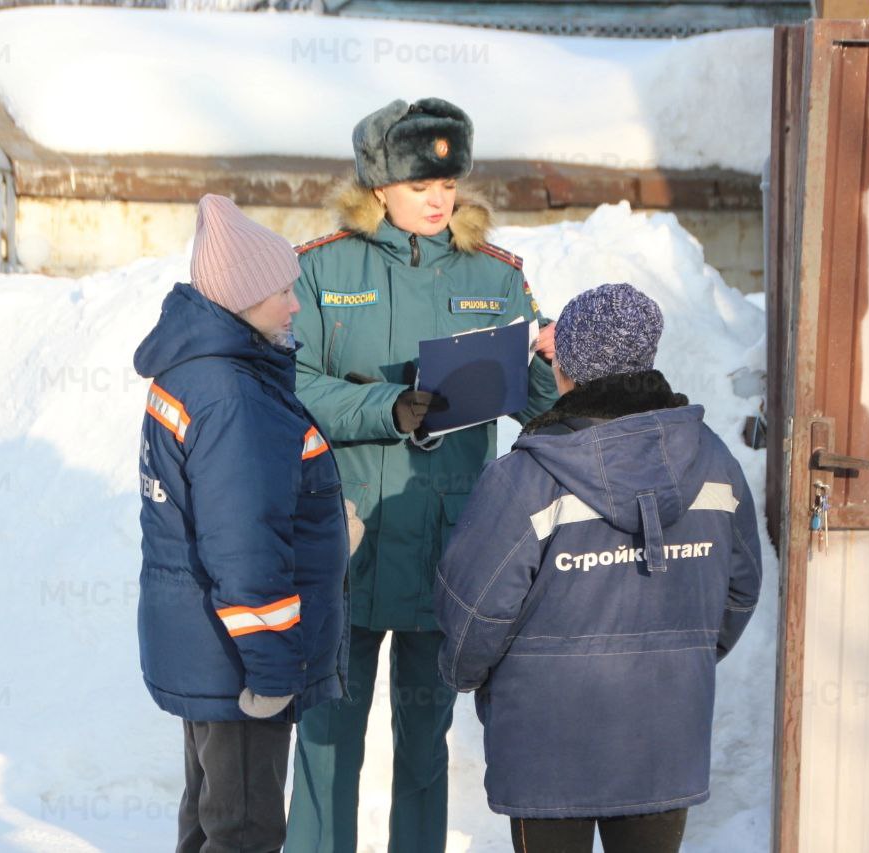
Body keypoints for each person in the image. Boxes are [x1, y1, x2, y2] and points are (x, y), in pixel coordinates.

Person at [286, 97, 559, 853]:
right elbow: (293, 385)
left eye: (448, 181)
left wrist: (548, 359)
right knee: (326, 742)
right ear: (378, 185)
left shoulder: (495, 276)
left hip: (447, 547)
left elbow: (539, 406)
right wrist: (385, 407)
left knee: (425, 747)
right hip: (346, 544)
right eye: (419, 184)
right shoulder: (320, 268)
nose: (440, 198)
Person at [435, 283, 763, 853]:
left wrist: (470, 678)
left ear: (567, 369)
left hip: (545, 741)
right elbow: (740, 590)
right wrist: (677, 655)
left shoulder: (525, 479)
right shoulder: (713, 460)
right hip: (665, 734)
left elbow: (474, 612)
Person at [134, 194, 352, 853]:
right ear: (242, 298)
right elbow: (245, 547)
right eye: (282, 290)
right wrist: (271, 670)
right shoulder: (233, 395)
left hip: (207, 647)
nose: (293, 304)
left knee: (210, 820)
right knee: (246, 831)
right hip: (240, 666)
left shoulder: (195, 370)